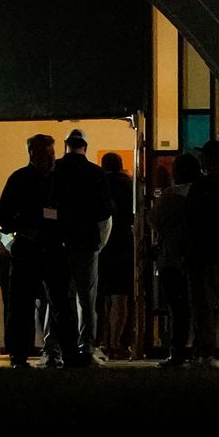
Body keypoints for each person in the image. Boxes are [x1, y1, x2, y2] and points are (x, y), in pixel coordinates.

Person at [45, 130, 115, 366]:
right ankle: (86, 347)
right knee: (87, 299)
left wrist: (56, 223)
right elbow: (106, 210)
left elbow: (47, 206)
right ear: (85, 146)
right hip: (86, 244)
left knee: (56, 299)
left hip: (58, 244)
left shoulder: (55, 170)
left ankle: (51, 350)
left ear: (66, 145)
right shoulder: (95, 173)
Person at [0, 132, 57, 367]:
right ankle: (20, 353)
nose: (50, 158)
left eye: (50, 153)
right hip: (33, 247)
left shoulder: (22, 178)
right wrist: (25, 228)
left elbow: (2, 216)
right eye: (46, 153)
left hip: (38, 247)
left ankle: (25, 353)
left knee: (27, 303)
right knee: (25, 303)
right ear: (33, 153)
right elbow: (1, 215)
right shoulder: (27, 179)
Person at [185, 141, 219, 364]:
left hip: (202, 252)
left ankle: (206, 348)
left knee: (202, 303)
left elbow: (191, 221)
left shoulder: (200, 186)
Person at [147, 154, 198, 363]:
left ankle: (177, 350)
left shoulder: (168, 196)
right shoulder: (198, 195)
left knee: (176, 308)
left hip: (170, 257)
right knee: (197, 304)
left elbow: (153, 220)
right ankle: (200, 349)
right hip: (194, 256)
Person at [92, 147, 138, 357]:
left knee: (100, 299)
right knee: (121, 298)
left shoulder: (97, 186)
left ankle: (99, 340)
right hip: (124, 249)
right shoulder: (130, 186)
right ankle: (117, 342)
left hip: (101, 248)